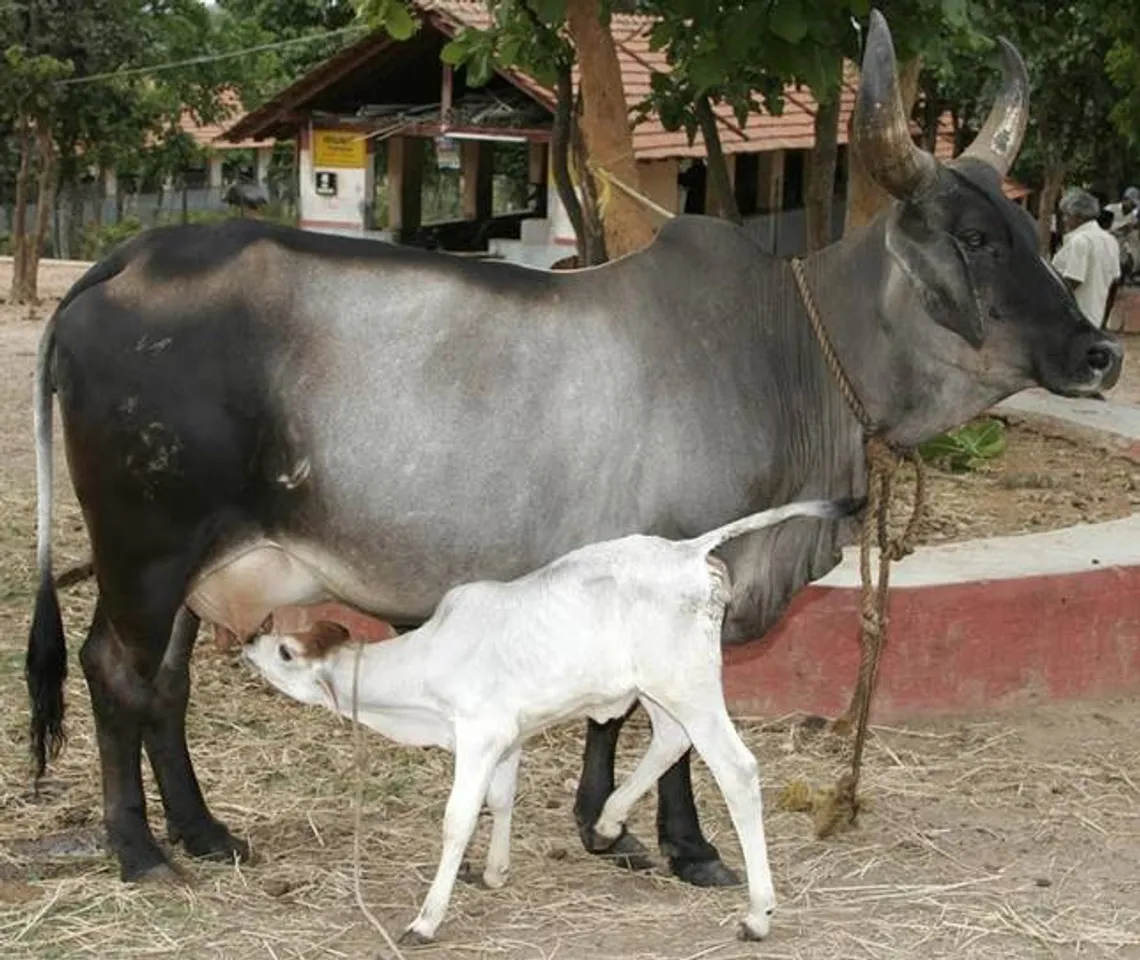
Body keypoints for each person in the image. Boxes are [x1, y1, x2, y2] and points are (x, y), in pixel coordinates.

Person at [1052, 188, 1121, 327]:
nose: (1064, 220)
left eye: (1066, 215)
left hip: (1072, 321)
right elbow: (1114, 283)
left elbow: (1073, 280)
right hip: (1095, 320)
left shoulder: (1080, 241)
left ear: (1079, 217)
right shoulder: (1110, 240)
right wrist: (1103, 321)